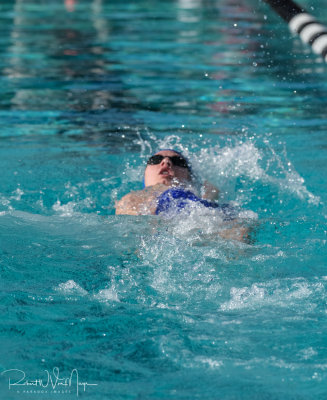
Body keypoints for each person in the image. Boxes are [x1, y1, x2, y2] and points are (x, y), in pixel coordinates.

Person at [115, 149, 249, 241]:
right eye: (156, 159)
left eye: (178, 161)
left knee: (244, 224)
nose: (166, 162)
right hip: (177, 234)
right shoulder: (133, 198)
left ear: (189, 177)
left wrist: (210, 198)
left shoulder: (198, 200)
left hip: (203, 222)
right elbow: (134, 235)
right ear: (145, 174)